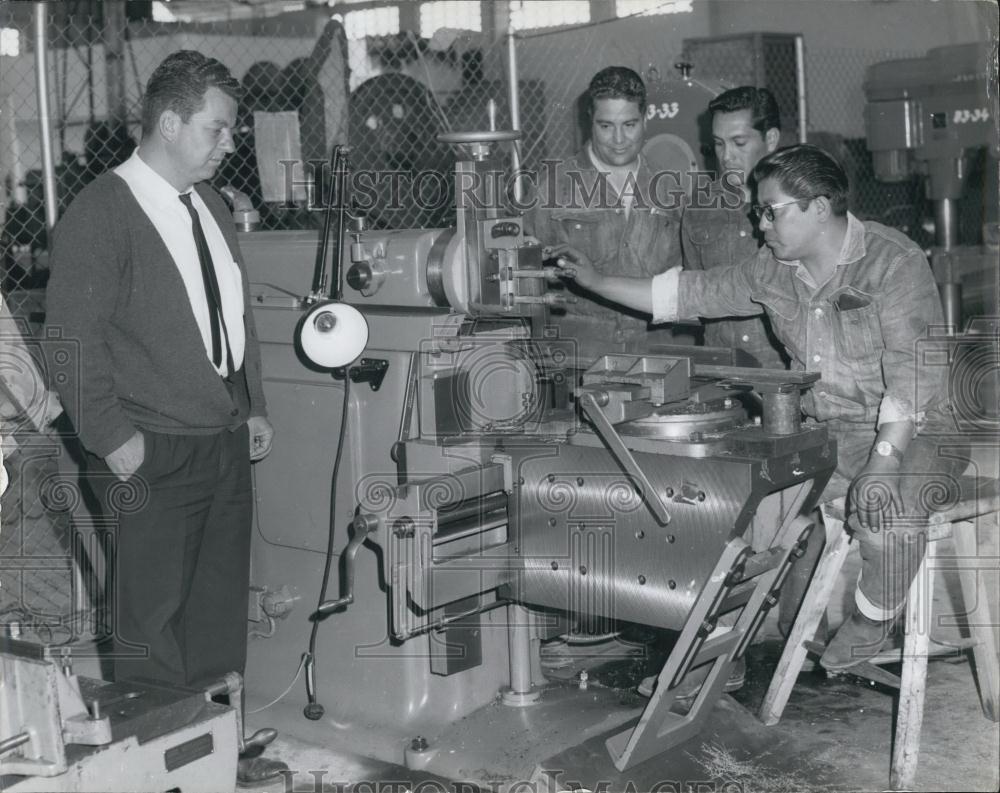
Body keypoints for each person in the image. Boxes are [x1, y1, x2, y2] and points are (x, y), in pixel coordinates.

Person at [552, 143, 966, 672]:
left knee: (889, 510)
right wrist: (594, 281)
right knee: (729, 508)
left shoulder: (892, 261)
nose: (759, 223)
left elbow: (913, 374)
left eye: (771, 211)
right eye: (758, 211)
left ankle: (873, 615)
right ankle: (718, 646)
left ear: (819, 208)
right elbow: (688, 292)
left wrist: (884, 460)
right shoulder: (772, 270)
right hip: (832, 429)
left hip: (923, 428)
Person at [45, 50, 286, 786]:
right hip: (148, 451)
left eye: (231, 132)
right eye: (217, 130)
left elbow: (232, 313)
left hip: (218, 444)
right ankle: (160, 771)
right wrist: (113, 438)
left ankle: (216, 756)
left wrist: (251, 405)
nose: (228, 143)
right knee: (150, 628)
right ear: (171, 121)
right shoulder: (102, 213)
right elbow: (69, 342)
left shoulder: (209, 205)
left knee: (214, 616)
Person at [524, 65, 680, 357]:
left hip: (656, 348)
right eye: (606, 126)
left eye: (629, 125)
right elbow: (528, 280)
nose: (619, 140)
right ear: (590, 122)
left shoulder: (669, 189)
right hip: (580, 353)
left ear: (645, 120)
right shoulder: (553, 188)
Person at [682, 86, 787, 369]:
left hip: (782, 374)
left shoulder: (800, 203)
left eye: (739, 143)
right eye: (719, 143)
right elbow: (693, 290)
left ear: (771, 139)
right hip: (719, 370)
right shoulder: (698, 208)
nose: (726, 156)